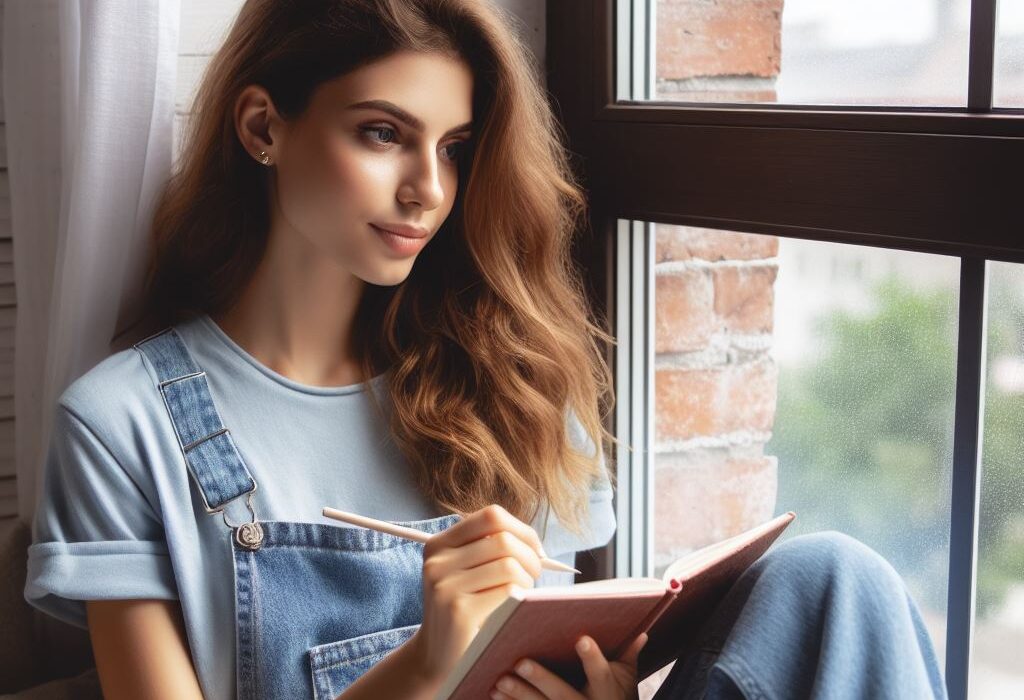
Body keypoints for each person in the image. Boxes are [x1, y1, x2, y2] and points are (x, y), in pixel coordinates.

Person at [22, 1, 948, 699]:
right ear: (264, 127)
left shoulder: (514, 377)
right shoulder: (122, 426)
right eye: (382, 134)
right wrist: (425, 665)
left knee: (835, 583)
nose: (428, 188)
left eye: (456, 148)